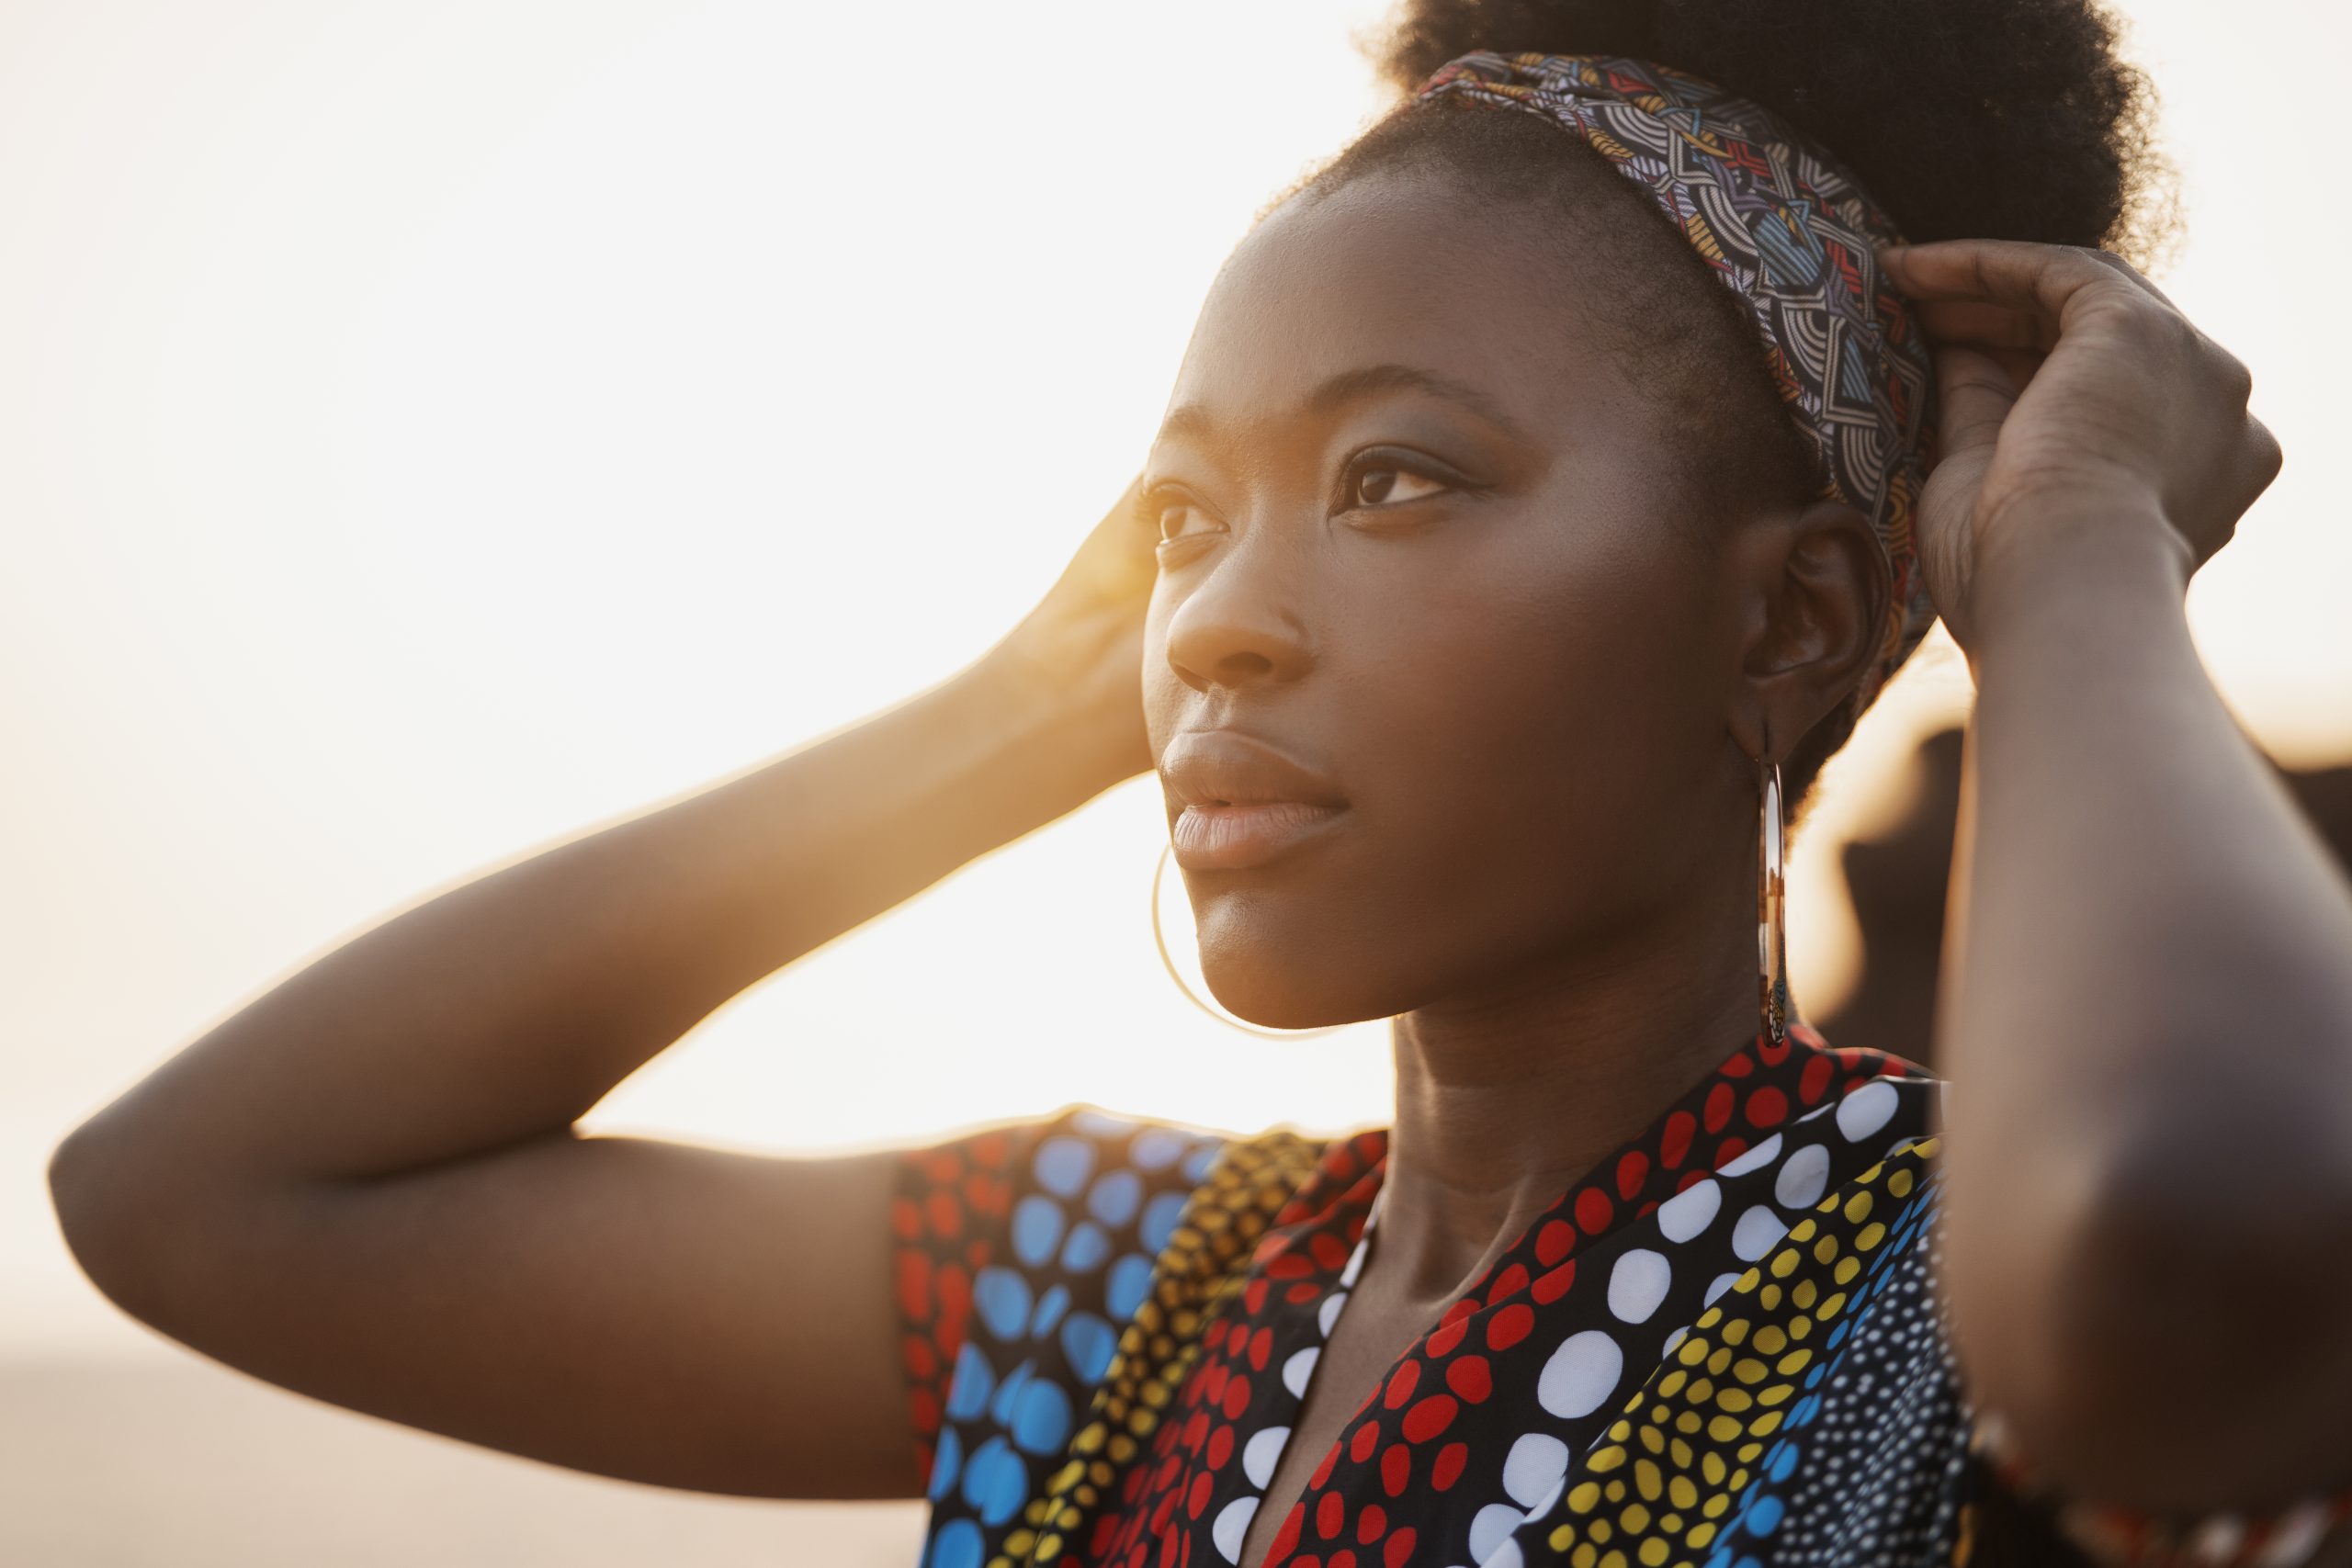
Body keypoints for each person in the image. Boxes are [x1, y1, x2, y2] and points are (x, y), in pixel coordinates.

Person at [46, 0, 2352, 1564]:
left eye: (1397, 478)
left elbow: (2201, 1239)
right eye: (1179, 517)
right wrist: (1038, 699)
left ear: (1789, 617)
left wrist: (2066, 556)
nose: (1222, 615)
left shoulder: (1940, 1302)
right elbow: (203, 1194)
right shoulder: (1110, 1293)